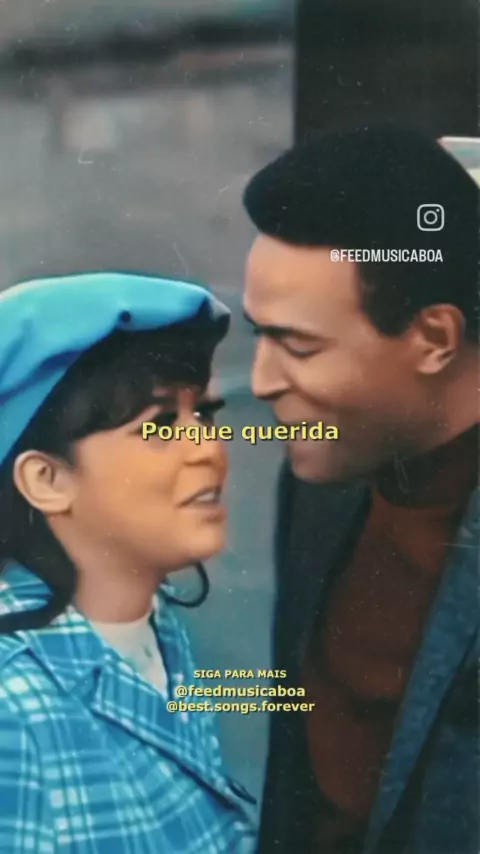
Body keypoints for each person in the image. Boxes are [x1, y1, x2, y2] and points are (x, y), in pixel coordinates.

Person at [241, 125, 479, 854]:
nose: (261, 382)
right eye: (258, 335)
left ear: (435, 339)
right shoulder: (321, 482)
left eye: (298, 346)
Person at [0, 272, 256, 853]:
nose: (208, 450)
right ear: (46, 479)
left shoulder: (154, 624)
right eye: (160, 426)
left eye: (204, 416)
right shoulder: (11, 709)